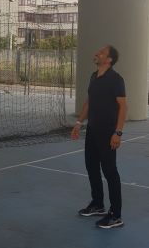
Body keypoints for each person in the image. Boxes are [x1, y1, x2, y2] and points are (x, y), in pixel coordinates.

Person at [71, 45, 127, 229]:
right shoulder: (94, 77)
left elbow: (123, 107)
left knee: (110, 172)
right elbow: (89, 102)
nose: (97, 53)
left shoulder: (116, 79)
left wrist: (117, 133)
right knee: (91, 167)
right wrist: (79, 123)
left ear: (109, 60)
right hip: (92, 131)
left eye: (101, 53)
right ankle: (98, 204)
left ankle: (116, 215)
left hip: (108, 133)